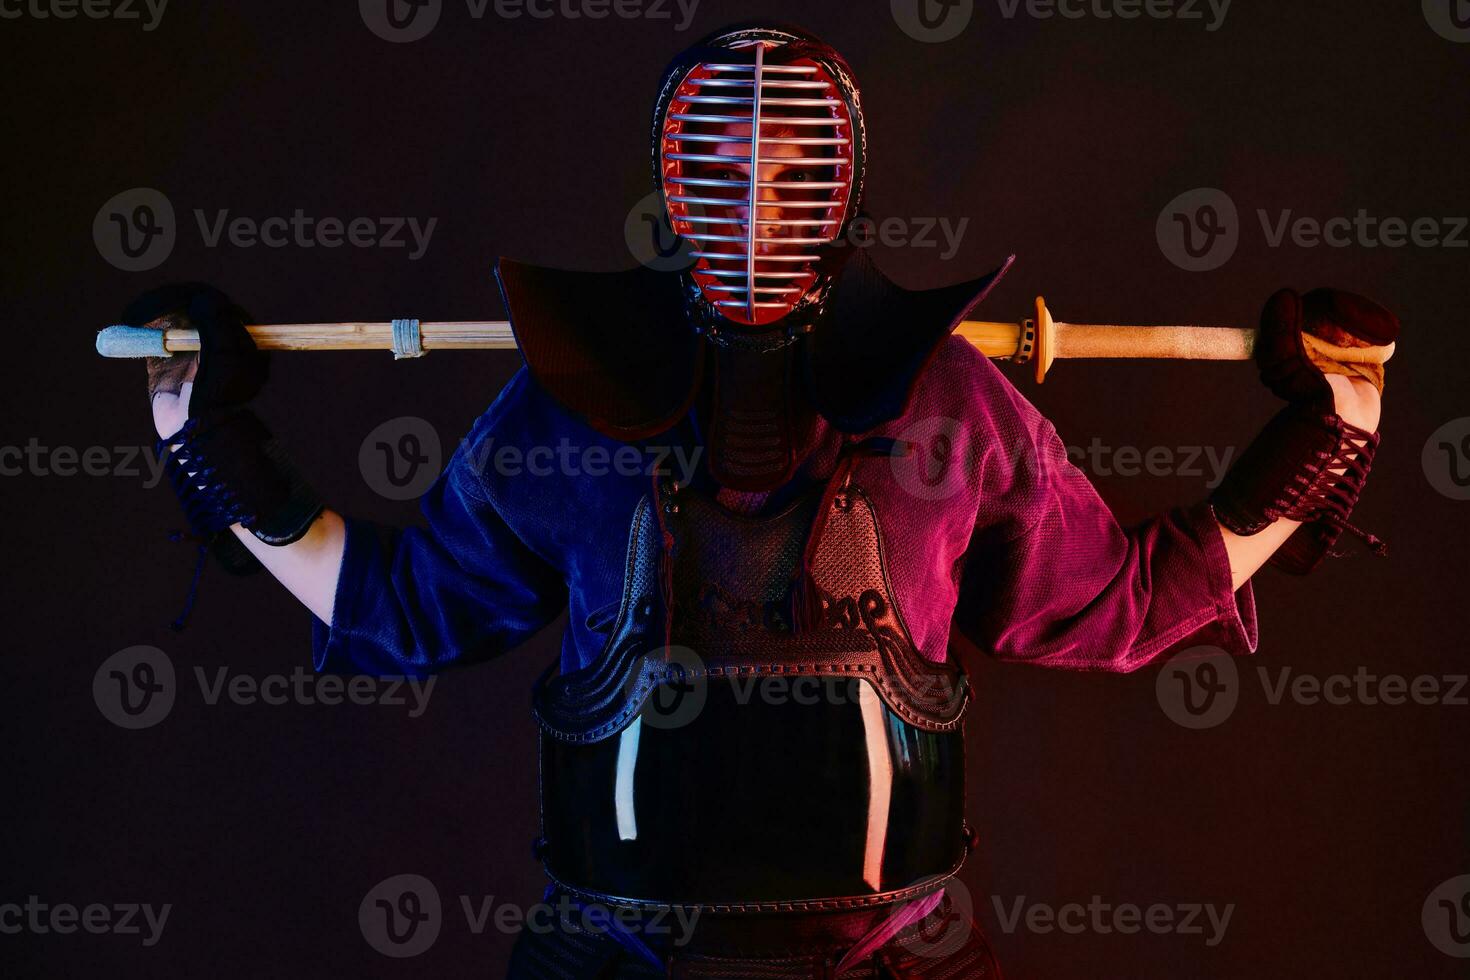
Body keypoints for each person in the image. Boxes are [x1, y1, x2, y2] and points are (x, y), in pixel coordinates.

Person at [124, 24, 1396, 979]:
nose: (754, 206)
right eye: (722, 170)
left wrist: (1328, 436)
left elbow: (1119, 606)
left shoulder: (952, 403)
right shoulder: (566, 407)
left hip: (902, 959)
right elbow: (398, 608)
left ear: (838, 191)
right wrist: (205, 437)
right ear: (674, 187)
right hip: (607, 955)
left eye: (788, 171)